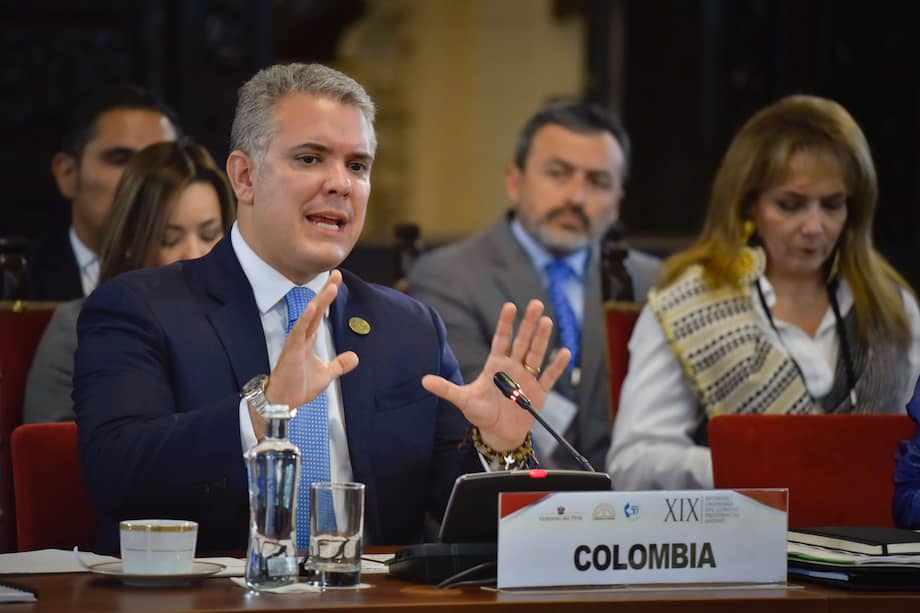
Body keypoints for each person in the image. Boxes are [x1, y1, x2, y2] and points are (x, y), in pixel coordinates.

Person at [74, 63, 568, 555]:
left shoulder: (408, 328)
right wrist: (263, 414)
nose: (341, 184)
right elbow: (116, 476)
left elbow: (467, 529)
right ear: (245, 178)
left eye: (358, 166)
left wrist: (499, 448)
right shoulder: (139, 309)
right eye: (311, 159)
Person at [608, 95, 920, 491]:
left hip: (874, 546)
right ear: (747, 205)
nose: (814, 227)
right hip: (741, 541)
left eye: (833, 205)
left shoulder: (893, 307)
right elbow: (633, 463)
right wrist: (758, 466)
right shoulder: (687, 306)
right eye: (790, 205)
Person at [408, 102, 660, 471]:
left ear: (617, 203)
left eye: (598, 182)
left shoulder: (651, 282)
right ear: (515, 181)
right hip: (509, 500)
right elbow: (471, 412)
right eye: (558, 174)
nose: (576, 197)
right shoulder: (448, 276)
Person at [24, 140, 235, 424]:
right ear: (131, 243)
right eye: (169, 239)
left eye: (209, 235)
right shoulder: (76, 327)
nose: (194, 254)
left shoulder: (245, 322)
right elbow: (53, 456)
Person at [27, 84, 179, 300]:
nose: (142, 178)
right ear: (67, 174)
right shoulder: (18, 282)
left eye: (161, 161)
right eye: (121, 160)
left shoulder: (213, 280)